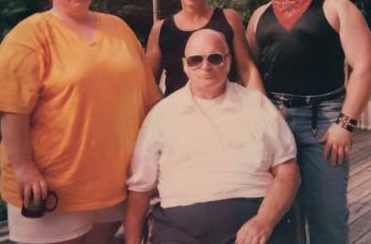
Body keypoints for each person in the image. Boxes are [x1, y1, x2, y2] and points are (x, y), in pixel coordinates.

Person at [0, 0, 161, 244]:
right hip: (51, 190)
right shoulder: (28, 36)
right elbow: (13, 110)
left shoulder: (118, 28)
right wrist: (25, 168)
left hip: (112, 186)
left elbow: (149, 100)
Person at [246, 0, 371, 244]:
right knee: (281, 217)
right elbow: (248, 70)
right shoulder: (258, 16)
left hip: (325, 124)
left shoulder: (337, 7)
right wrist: (261, 115)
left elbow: (365, 67)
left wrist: (345, 124)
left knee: (327, 216)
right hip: (275, 121)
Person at [124, 29, 300, 244]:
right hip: (180, 227)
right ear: (184, 65)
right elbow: (140, 189)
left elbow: (287, 172)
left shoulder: (257, 106)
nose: (205, 66)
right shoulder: (162, 114)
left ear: (228, 61)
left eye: (214, 58)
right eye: (195, 60)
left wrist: (264, 221)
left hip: (252, 219)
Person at [146, 0, 264, 96]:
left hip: (226, 110)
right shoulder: (161, 29)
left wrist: (262, 109)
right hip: (180, 114)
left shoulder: (229, 19)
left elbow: (247, 70)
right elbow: (148, 83)